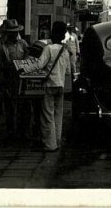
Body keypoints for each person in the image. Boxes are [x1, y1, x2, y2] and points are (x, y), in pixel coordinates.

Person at [22, 21, 73, 152]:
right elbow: (68, 71)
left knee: (47, 115)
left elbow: (39, 65)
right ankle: (58, 141)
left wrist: (24, 67)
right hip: (60, 86)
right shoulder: (65, 50)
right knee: (58, 115)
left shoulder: (49, 48)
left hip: (49, 85)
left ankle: (50, 145)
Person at [0, 19, 29, 136]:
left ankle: (22, 130)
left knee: (23, 106)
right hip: (8, 78)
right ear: (7, 33)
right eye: (11, 32)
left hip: (22, 78)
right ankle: (11, 130)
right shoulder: (1, 46)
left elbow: (28, 58)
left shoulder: (23, 43)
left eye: (15, 32)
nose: (14, 34)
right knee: (10, 106)